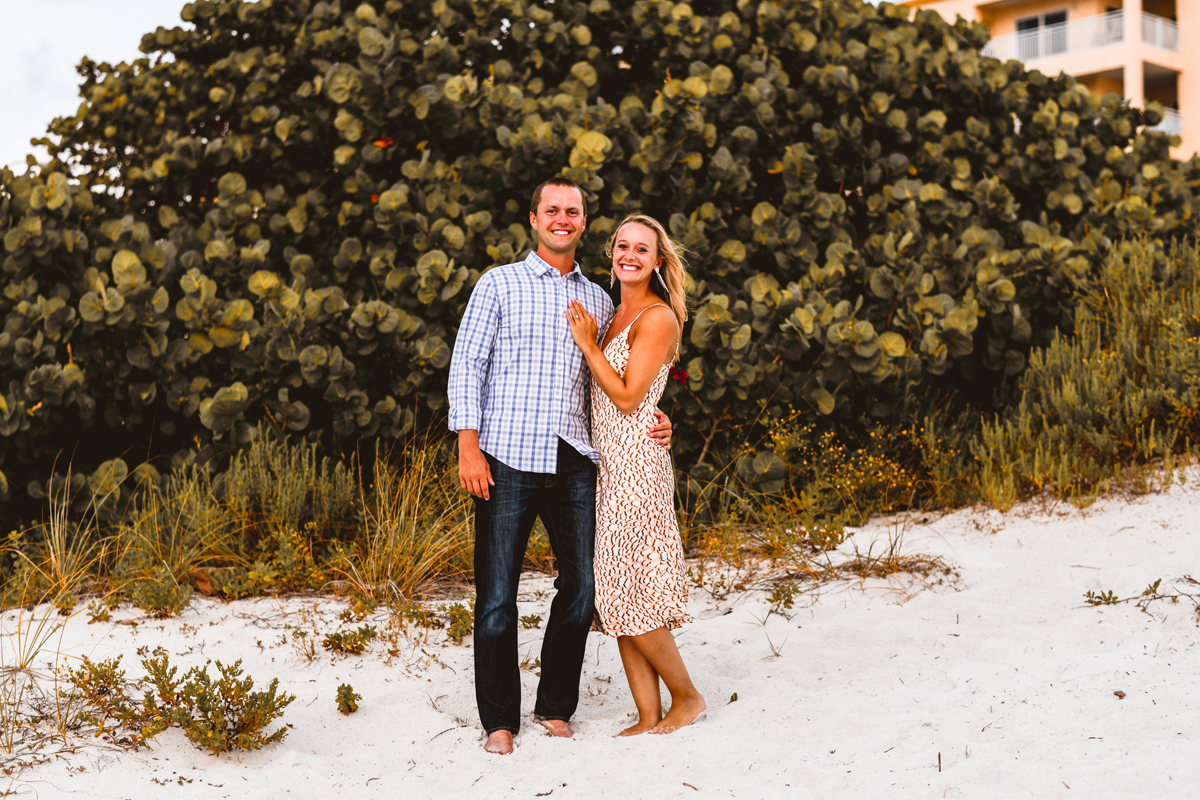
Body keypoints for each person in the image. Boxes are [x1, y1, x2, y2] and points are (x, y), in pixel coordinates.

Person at [447, 177, 673, 755]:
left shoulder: (600, 301)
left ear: (582, 222)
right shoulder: (499, 284)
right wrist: (467, 444)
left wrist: (659, 416)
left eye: (573, 211)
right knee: (496, 595)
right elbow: (467, 365)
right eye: (553, 209)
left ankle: (555, 706)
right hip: (506, 456)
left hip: (575, 460)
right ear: (534, 218)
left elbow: (619, 383)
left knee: (581, 588)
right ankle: (499, 720)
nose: (563, 218)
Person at [564, 214, 706, 736]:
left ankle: (687, 697)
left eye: (641, 249)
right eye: (622, 245)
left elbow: (626, 397)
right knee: (617, 591)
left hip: (636, 469)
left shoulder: (657, 316)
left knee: (632, 588)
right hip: (606, 466)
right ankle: (648, 711)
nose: (629, 255)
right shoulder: (613, 311)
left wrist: (586, 344)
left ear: (658, 261)